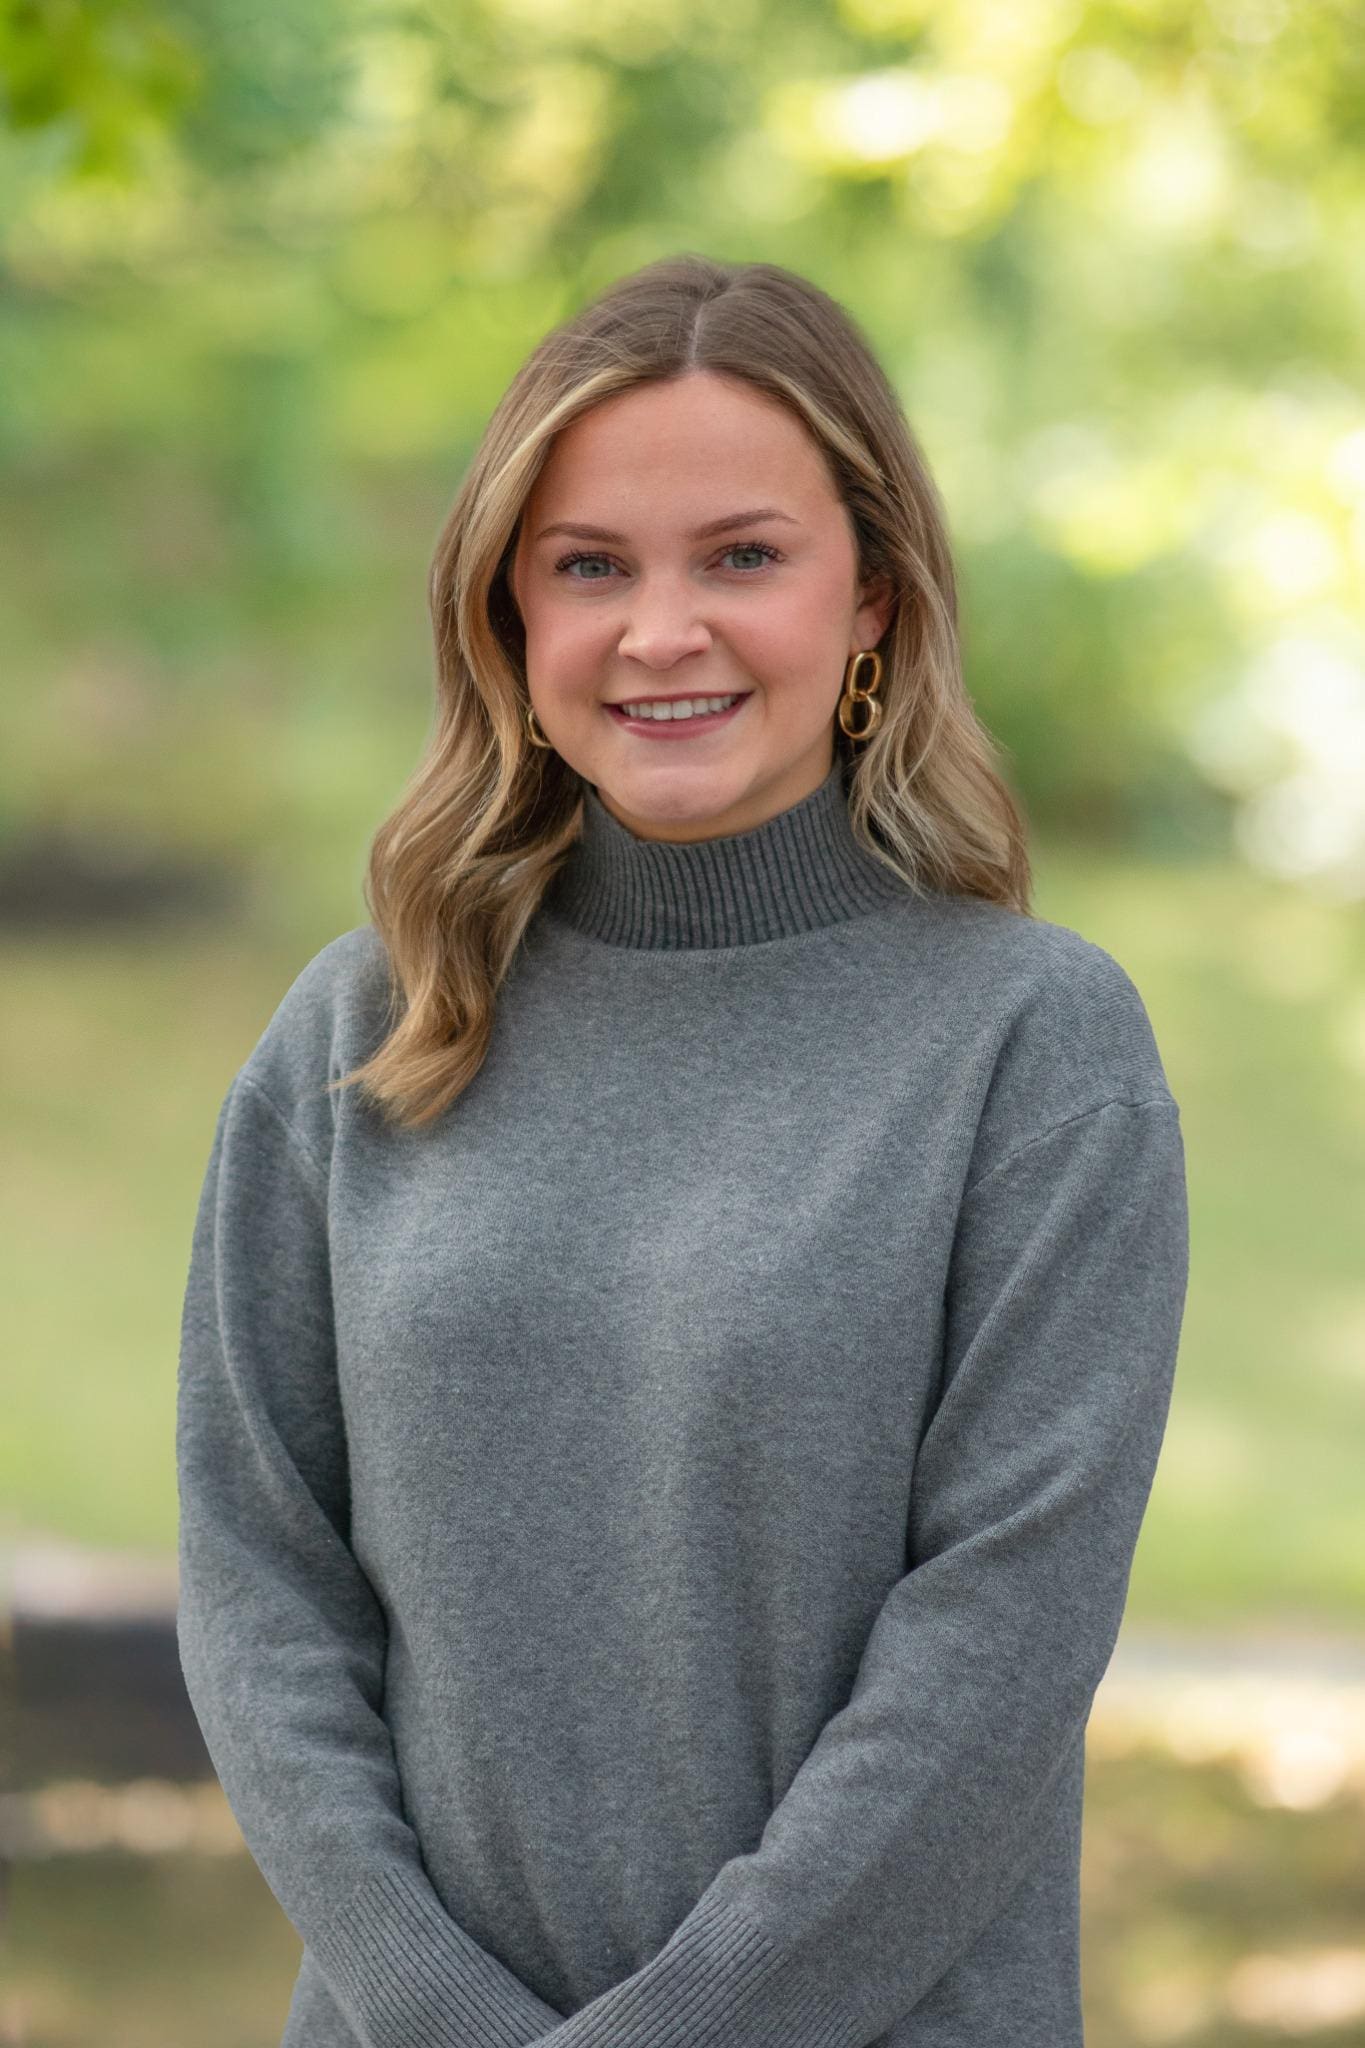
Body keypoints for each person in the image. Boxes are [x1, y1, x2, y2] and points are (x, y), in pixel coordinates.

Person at [175, 253, 1189, 2048]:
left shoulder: (1032, 1050)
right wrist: (436, 2015)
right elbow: (261, 1594)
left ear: (870, 597)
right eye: (590, 566)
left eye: (741, 555)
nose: (661, 631)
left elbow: (995, 1659)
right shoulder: (359, 1036)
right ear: (507, 612)